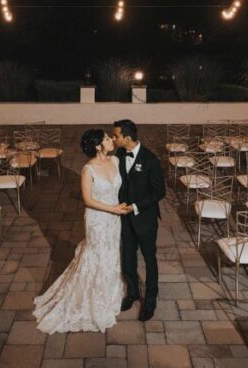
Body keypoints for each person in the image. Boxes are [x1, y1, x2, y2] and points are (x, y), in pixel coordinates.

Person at [33, 128, 132, 333]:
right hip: (98, 219)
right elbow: (88, 200)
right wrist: (113, 208)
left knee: (112, 252)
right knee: (96, 254)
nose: (111, 140)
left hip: (115, 220)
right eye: (106, 139)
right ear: (98, 146)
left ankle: (108, 293)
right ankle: (92, 300)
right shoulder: (89, 169)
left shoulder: (115, 161)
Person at [112, 119, 166, 322]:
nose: (113, 138)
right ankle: (133, 292)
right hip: (125, 220)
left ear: (127, 137)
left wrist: (135, 207)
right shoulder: (119, 154)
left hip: (145, 220)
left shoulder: (151, 159)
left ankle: (150, 302)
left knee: (150, 261)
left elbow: (159, 192)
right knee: (128, 258)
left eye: (116, 135)